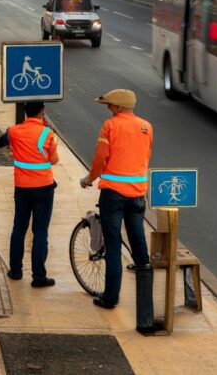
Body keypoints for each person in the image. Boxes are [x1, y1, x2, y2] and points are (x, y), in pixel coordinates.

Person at [79, 89, 164, 335]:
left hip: (113, 195)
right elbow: (145, 156)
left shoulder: (110, 126)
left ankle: (110, 297)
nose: (107, 109)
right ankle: (146, 315)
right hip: (137, 194)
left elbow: (101, 158)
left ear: (117, 107)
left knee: (113, 246)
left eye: (109, 106)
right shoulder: (147, 127)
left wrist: (89, 178)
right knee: (139, 248)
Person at [0, 101, 58, 288]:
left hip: (22, 187)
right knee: (40, 230)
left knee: (19, 228)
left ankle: (15, 271)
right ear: (42, 112)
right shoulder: (47, 133)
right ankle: (39, 276)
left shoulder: (13, 131)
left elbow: (0, 143)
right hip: (44, 188)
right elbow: (53, 160)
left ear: (25, 112)